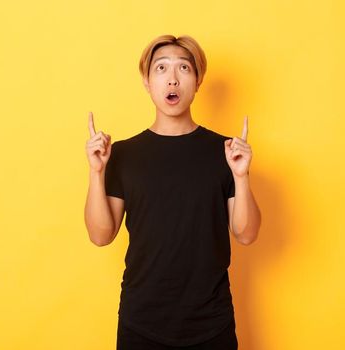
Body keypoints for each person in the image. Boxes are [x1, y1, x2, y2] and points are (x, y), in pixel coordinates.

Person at [83, 34, 262, 349]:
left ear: (197, 82)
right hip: (141, 323)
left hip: (211, 322)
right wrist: (97, 172)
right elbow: (101, 235)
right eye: (161, 69)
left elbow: (246, 234)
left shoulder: (224, 152)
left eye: (184, 69)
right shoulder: (123, 155)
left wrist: (242, 175)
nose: (173, 79)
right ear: (147, 82)